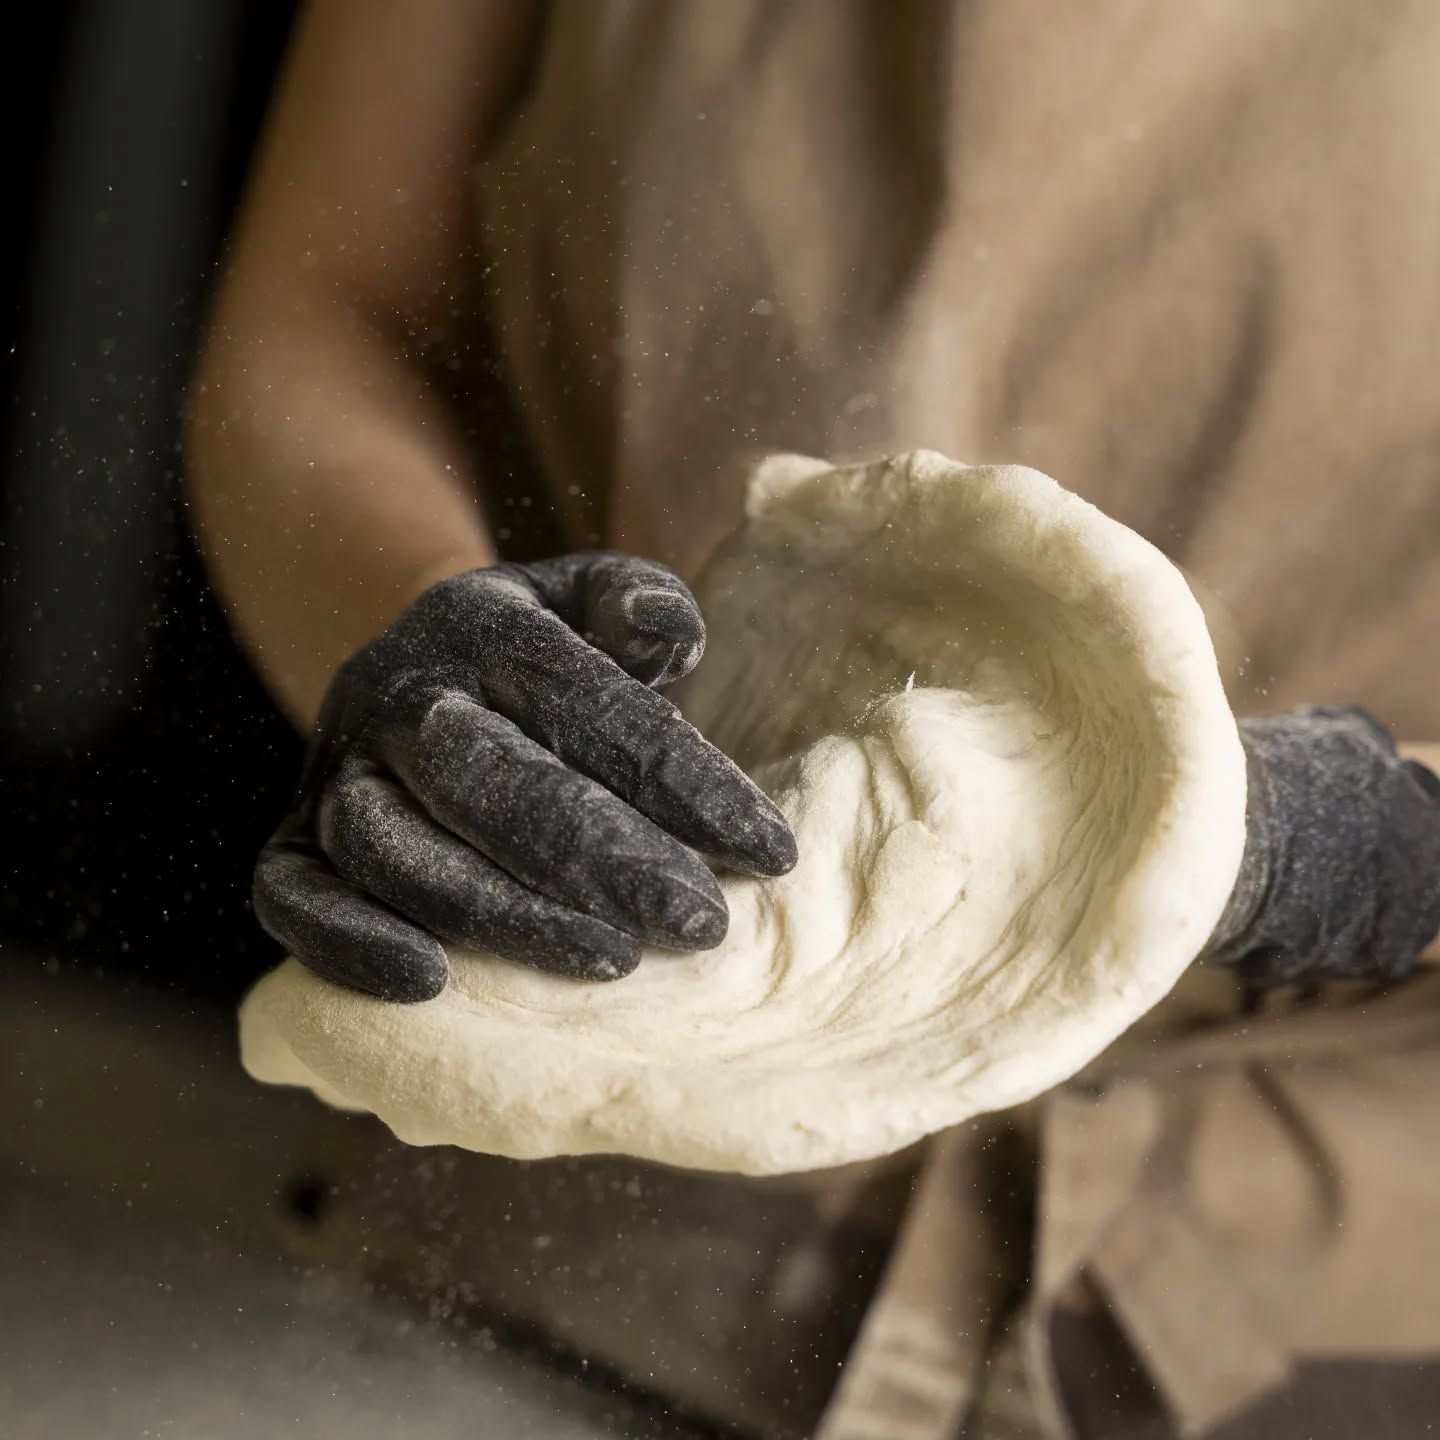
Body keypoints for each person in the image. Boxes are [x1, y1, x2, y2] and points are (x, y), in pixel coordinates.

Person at [187, 3, 1440, 1435]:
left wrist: (1351, 847)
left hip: (1292, 1318)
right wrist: (440, 652)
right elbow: (336, 304)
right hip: (583, 1223)